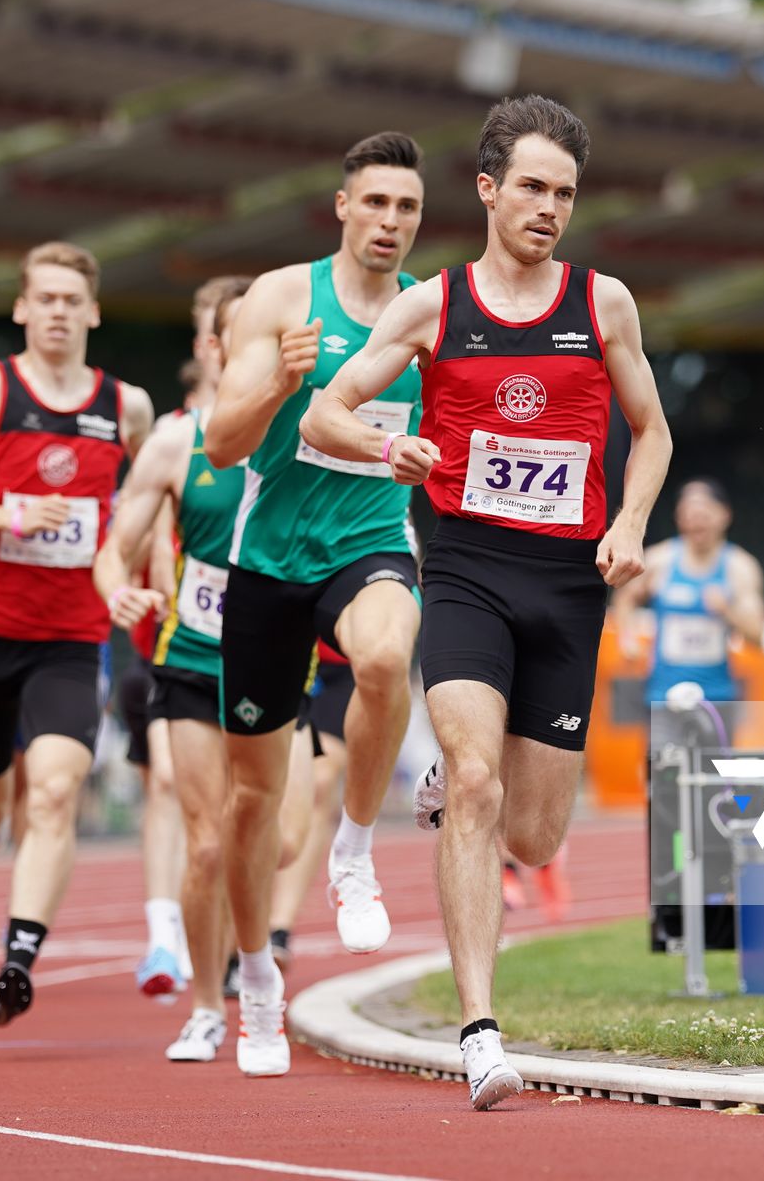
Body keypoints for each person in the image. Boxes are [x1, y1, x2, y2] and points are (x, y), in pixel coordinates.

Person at [299, 94, 671, 1110]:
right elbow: (326, 409)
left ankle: (468, 803)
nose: (549, 207)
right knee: (472, 777)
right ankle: (480, 1029)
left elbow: (655, 430)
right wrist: (389, 445)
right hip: (464, 567)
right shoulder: (431, 306)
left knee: (538, 832)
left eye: (565, 192)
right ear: (489, 188)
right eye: (534, 187)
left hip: (566, 584)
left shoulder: (605, 305)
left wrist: (631, 519)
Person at [203, 130, 430, 1078]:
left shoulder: (431, 312)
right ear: (343, 206)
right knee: (251, 806)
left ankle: (355, 848)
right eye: (374, 203)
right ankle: (257, 979)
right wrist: (280, 380)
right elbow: (219, 443)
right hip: (269, 560)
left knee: (384, 658)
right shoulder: (282, 296)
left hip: (371, 539)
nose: (389, 222)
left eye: (407, 208)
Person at [0, 240, 153, 1025]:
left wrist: (144, 579)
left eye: (69, 299)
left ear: (92, 311)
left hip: (72, 636)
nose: (56, 311)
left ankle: (19, 957)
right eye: (42, 298)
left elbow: (155, 504)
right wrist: (9, 513)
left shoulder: (127, 408)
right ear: (21, 308)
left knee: (55, 792)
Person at [122, 275, 249, 1001]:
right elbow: (137, 519)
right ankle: (164, 935)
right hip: (167, 636)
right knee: (168, 784)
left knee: (254, 813)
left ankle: (230, 936)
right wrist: (145, 576)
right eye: (214, 327)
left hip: (255, 640)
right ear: (204, 342)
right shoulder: (171, 431)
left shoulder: (280, 425)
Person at [613, 476, 764, 952]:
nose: (696, 519)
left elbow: (759, 632)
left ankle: (718, 902)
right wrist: (624, 634)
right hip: (664, 702)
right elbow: (622, 595)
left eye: (705, 510)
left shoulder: (738, 567)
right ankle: (667, 909)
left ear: (723, 516)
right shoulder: (661, 559)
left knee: (715, 802)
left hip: (717, 704)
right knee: (664, 801)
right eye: (688, 510)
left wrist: (727, 610)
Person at [268, 640, 356, 970]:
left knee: (319, 782)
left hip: (341, 660)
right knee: (264, 789)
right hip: (277, 649)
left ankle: (279, 928)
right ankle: (241, 930)